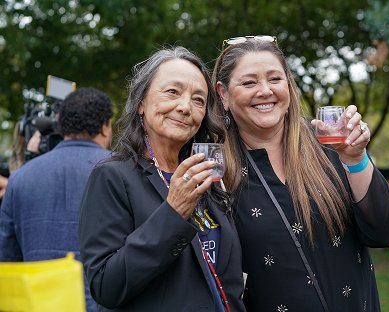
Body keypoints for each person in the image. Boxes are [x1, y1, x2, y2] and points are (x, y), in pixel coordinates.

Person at [212, 36, 389, 311]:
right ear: (224, 94)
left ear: (288, 86)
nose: (265, 90)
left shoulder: (330, 144)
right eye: (249, 82)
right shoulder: (215, 169)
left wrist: (356, 159)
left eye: (275, 79)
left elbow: (386, 232)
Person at [79, 47, 246, 311]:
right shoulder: (112, 176)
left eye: (198, 100)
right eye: (172, 92)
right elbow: (105, 286)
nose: (184, 107)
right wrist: (173, 213)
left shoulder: (205, 175)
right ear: (141, 103)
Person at [0, 87, 113, 312]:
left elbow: (6, 257)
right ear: (104, 126)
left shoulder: (20, 178)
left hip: (36, 305)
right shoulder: (124, 171)